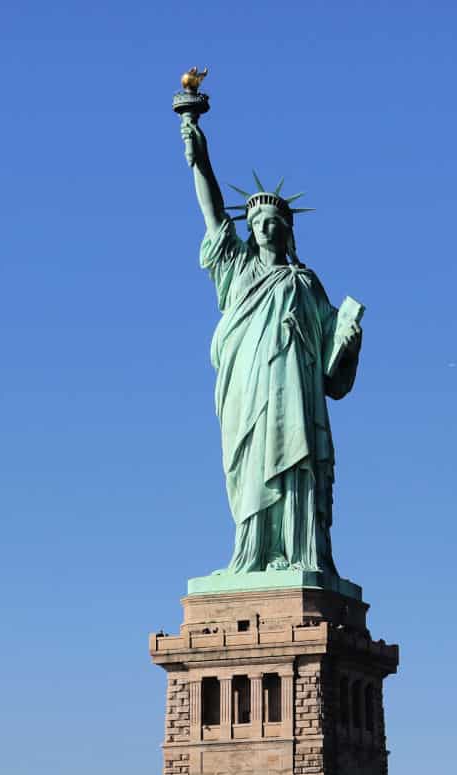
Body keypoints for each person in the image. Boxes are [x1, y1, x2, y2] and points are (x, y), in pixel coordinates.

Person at [180, 109, 363, 579]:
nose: (262, 227)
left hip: (294, 395)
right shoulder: (237, 270)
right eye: (256, 221)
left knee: (294, 461)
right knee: (249, 466)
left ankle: (299, 553)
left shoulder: (305, 283)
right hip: (247, 390)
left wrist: (347, 339)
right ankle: (251, 553)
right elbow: (212, 212)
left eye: (271, 221)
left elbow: (330, 371)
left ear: (287, 229)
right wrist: (200, 160)